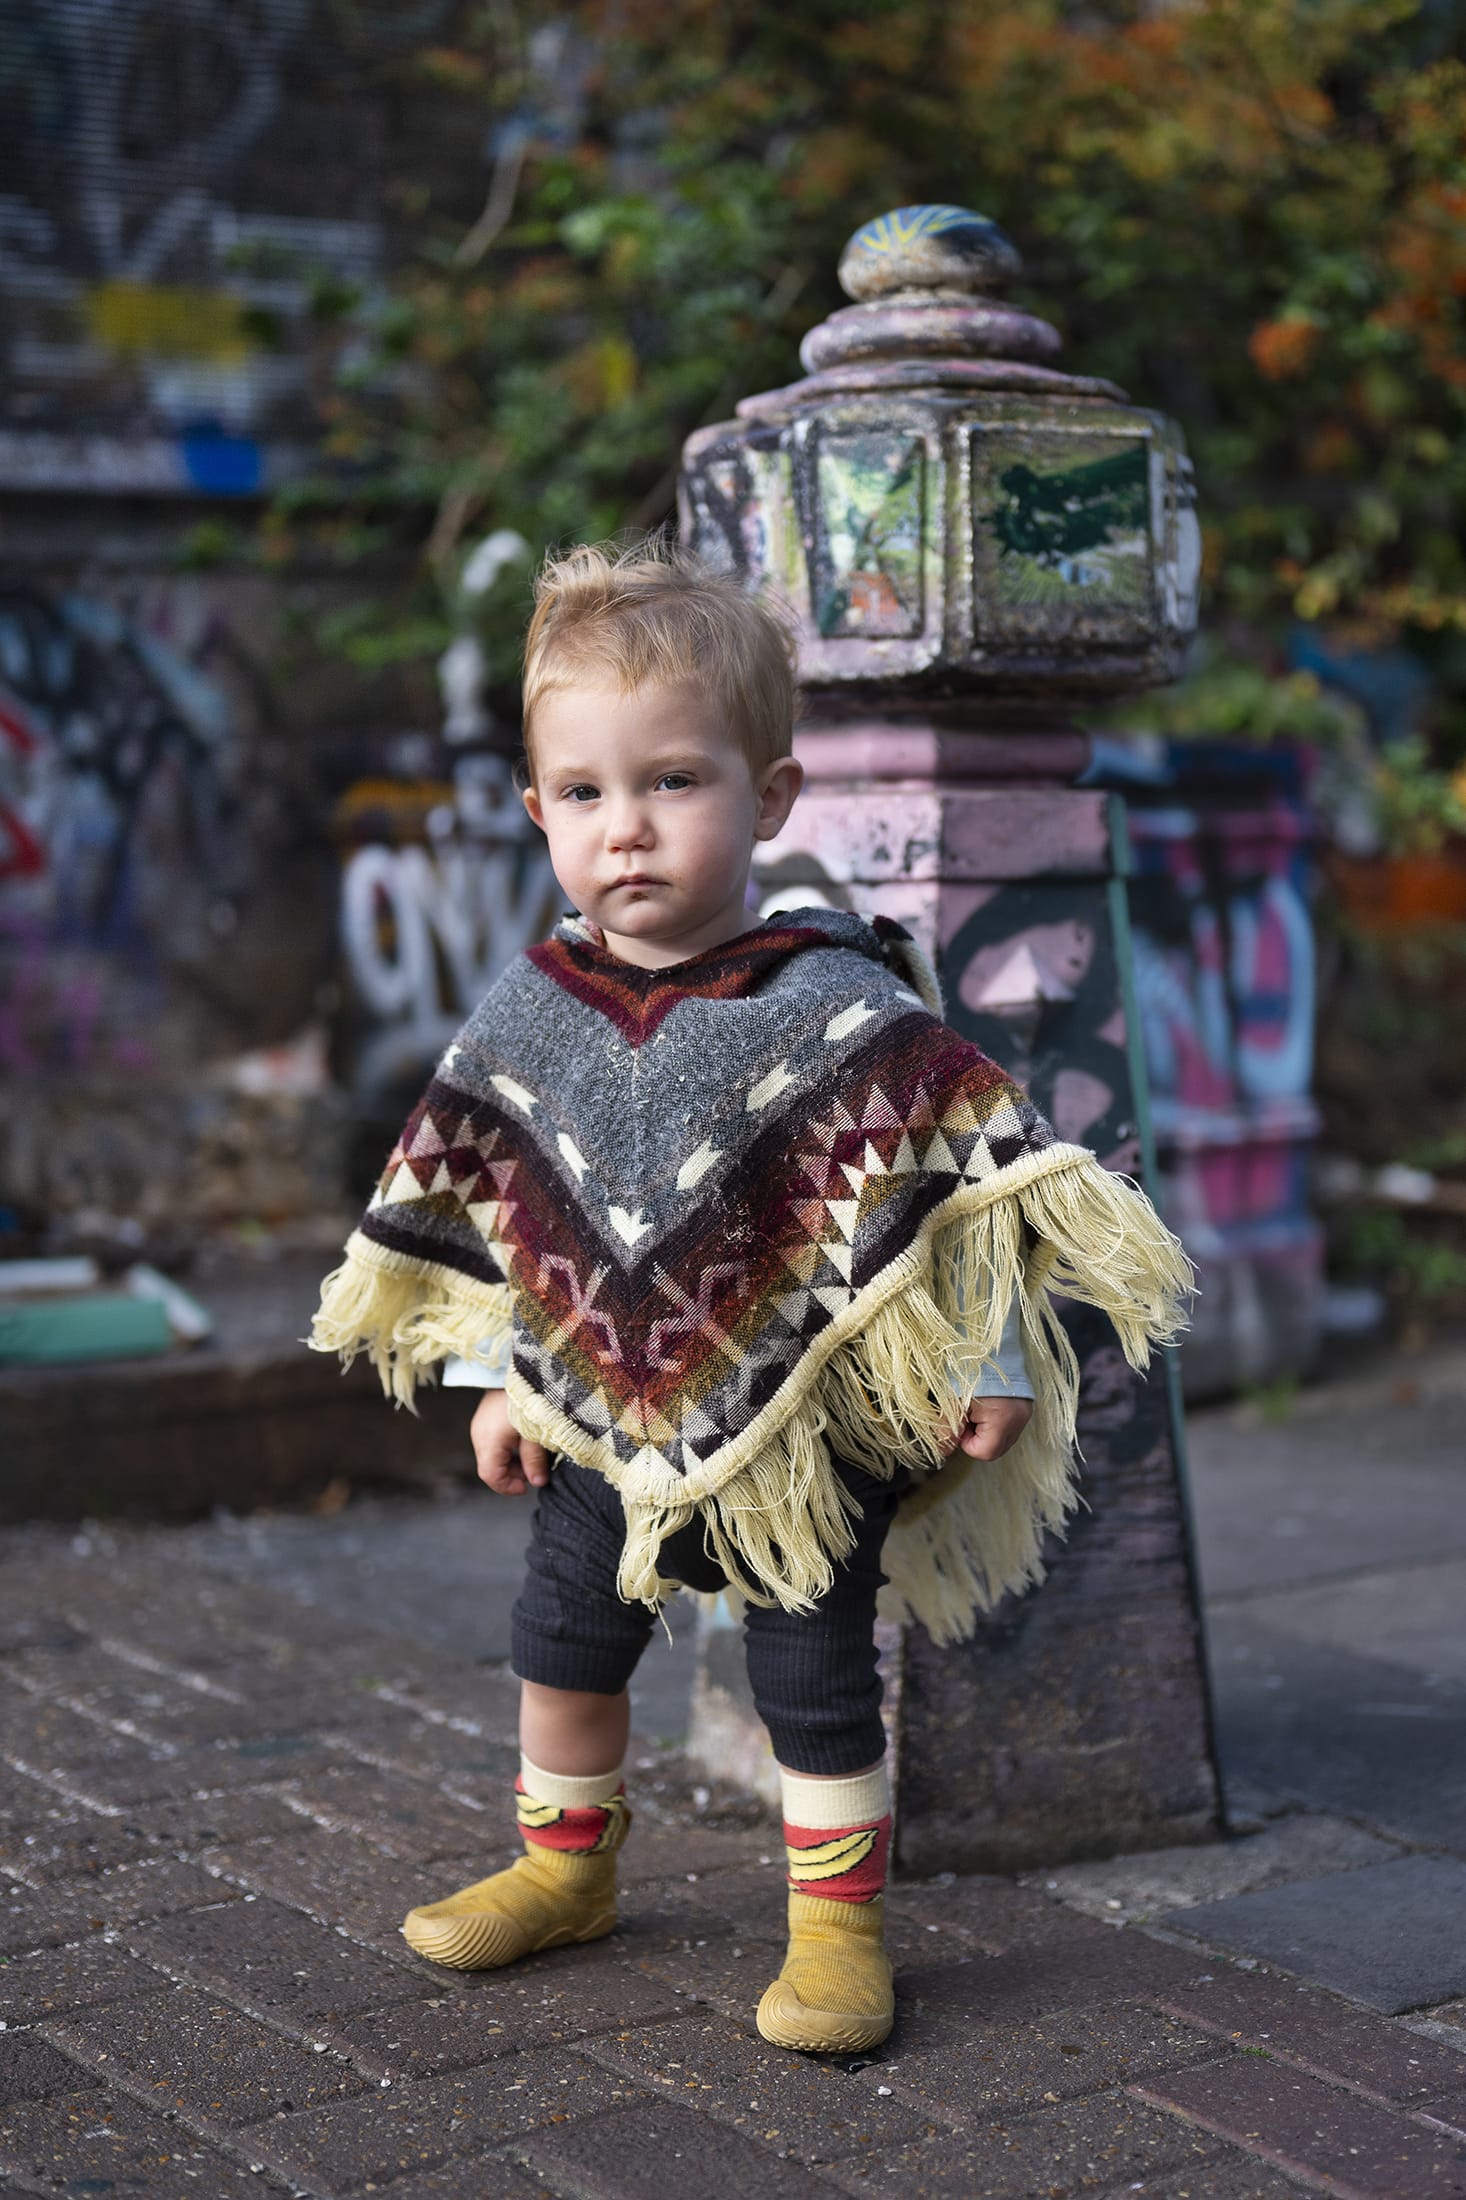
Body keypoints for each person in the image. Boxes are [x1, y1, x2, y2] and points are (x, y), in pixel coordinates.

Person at [313, 540, 1190, 2056]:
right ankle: (562, 1870)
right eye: (582, 793)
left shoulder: (835, 999)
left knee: (812, 1672)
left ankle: (838, 1934)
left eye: (674, 781)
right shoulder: (533, 1009)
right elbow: (516, 1212)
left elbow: (951, 1199)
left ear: (769, 796)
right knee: (560, 1642)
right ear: (535, 808)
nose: (627, 828)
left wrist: (988, 1362)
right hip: (591, 1410)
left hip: (802, 1428)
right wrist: (499, 1376)